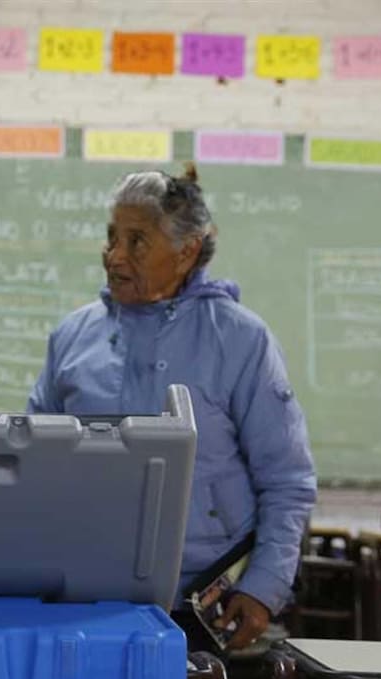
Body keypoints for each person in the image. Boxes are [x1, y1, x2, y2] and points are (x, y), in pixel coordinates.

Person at [28, 165, 316, 651]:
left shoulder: (241, 340)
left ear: (187, 252)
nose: (115, 256)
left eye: (137, 241)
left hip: (205, 598)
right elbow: (34, 461)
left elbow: (287, 481)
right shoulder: (74, 337)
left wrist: (263, 587)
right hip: (89, 587)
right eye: (110, 237)